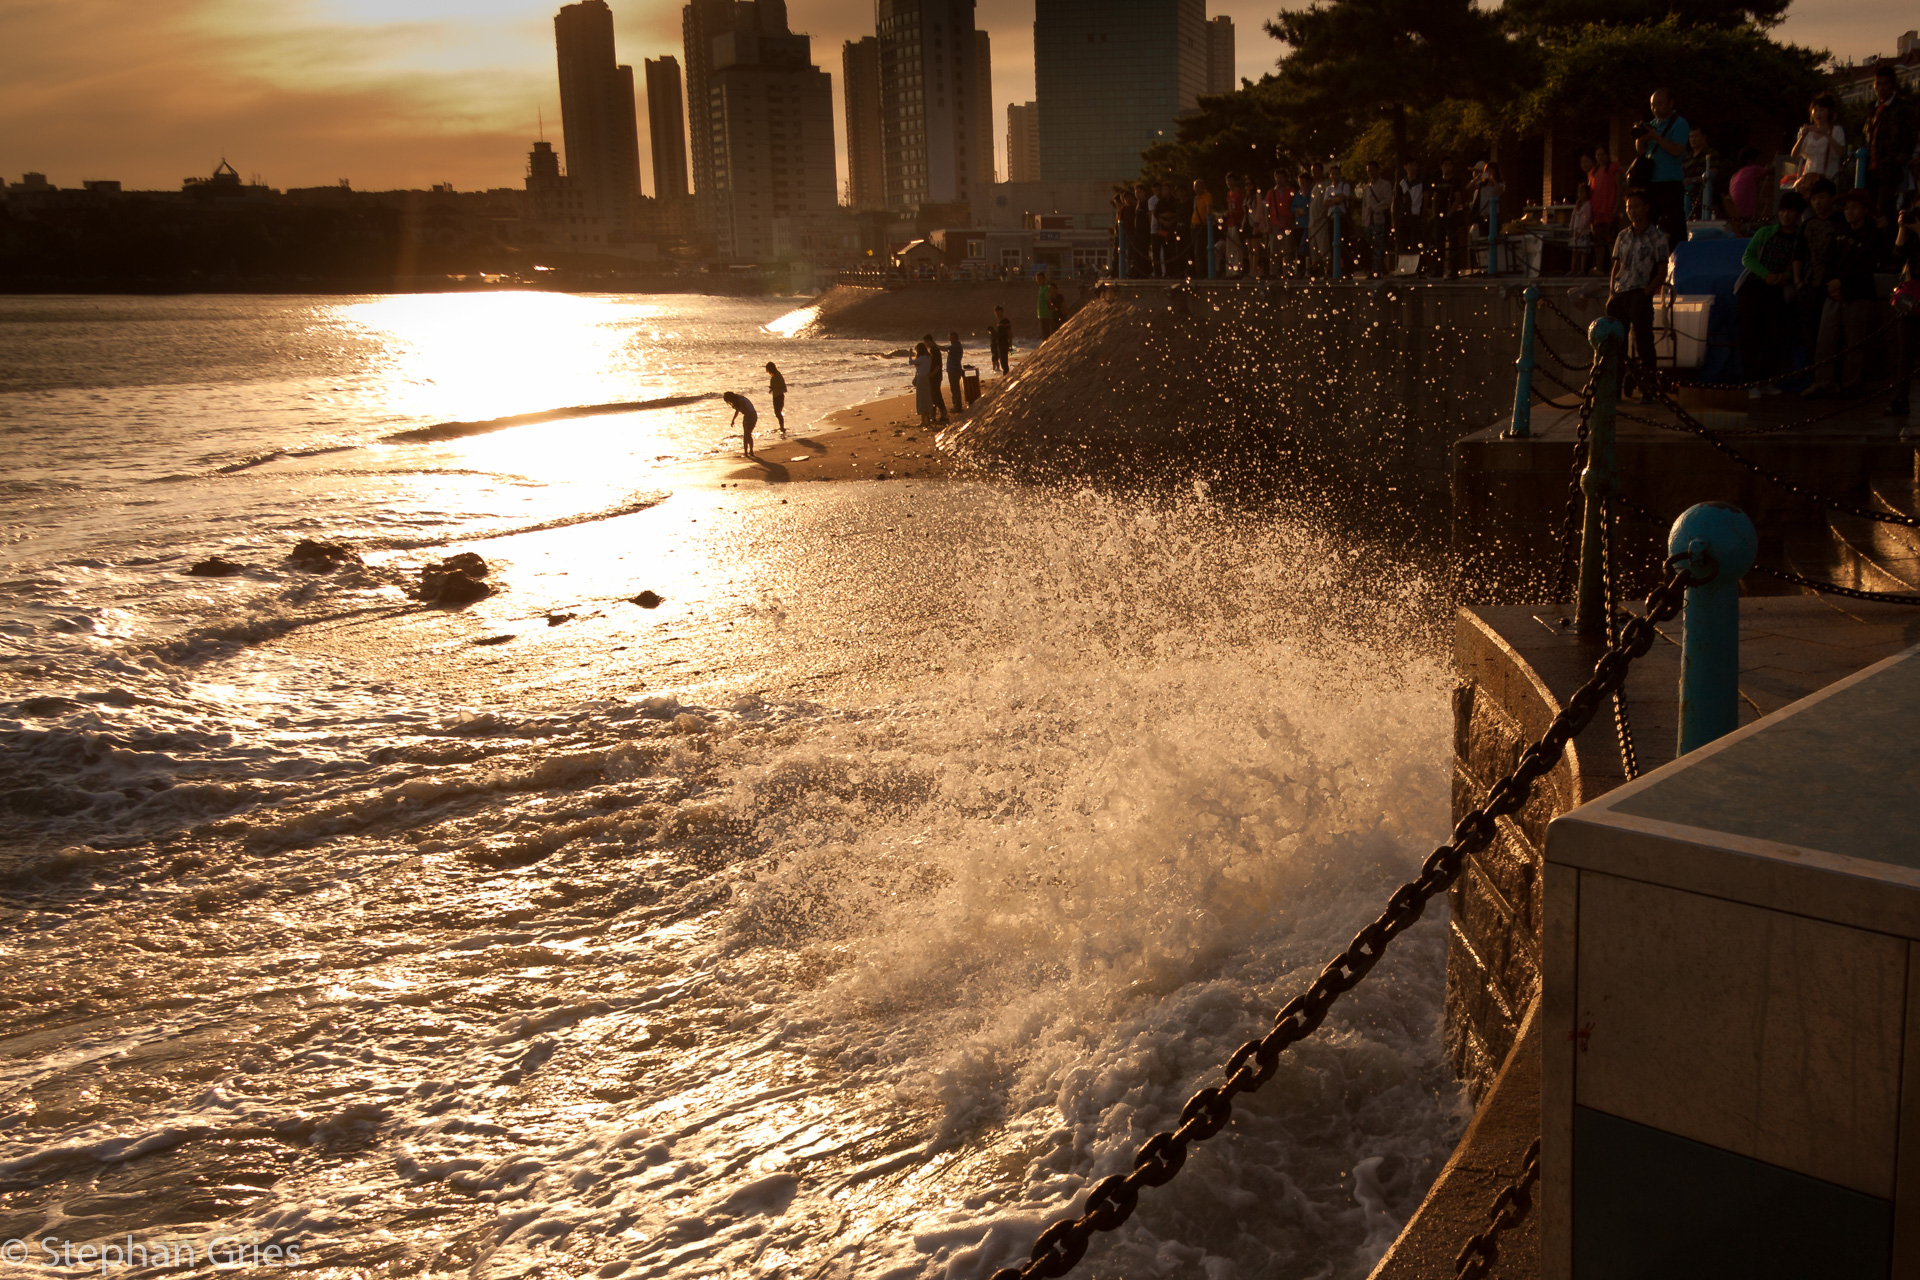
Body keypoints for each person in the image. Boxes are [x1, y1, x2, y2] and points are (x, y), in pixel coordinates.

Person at [1807, 189, 1882, 397]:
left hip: (1859, 293)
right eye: (1847, 207)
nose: (1849, 212)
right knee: (1825, 339)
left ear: (1865, 210)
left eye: (1854, 207)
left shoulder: (1872, 234)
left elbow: (1865, 265)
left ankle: (1851, 383)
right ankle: (1823, 382)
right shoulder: (1839, 231)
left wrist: (1842, 282)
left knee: (1854, 341)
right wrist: (1831, 283)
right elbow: (1828, 259)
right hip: (1833, 292)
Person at [1735, 190, 1808, 397]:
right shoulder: (1765, 232)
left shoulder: (1801, 237)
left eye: (1793, 211)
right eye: (1784, 210)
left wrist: (1786, 276)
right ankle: (1751, 383)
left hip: (1777, 293)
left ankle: (1767, 381)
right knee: (1750, 336)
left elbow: (1802, 263)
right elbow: (1748, 258)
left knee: (1773, 337)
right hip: (1752, 289)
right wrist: (1766, 274)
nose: (1787, 215)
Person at [1607, 191, 1671, 400]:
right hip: (1620, 293)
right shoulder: (1622, 236)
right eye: (1628, 208)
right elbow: (1616, 266)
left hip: (1640, 292)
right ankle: (1614, 389)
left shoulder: (1657, 237)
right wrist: (1611, 292)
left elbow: (1662, 270)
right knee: (1616, 343)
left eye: (1636, 206)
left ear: (1646, 207)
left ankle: (1648, 388)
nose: (1632, 211)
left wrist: (1647, 291)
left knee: (1644, 341)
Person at [1632, 89, 1691, 247]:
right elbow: (1642, 150)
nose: (1656, 109)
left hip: (1671, 181)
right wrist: (1641, 137)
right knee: (1649, 223)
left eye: (1660, 104)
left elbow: (1677, 150)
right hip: (1651, 182)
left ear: (1671, 104)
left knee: (1675, 226)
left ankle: (1679, 261)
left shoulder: (1679, 123)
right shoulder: (1652, 124)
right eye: (1653, 105)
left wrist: (1655, 137)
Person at [1797, 177, 1844, 364]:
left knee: (1834, 337)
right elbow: (1799, 255)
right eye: (1814, 199)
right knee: (1810, 336)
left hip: (1833, 286)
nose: (1817, 202)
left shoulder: (1841, 222)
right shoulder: (1808, 224)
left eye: (1822, 197)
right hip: (1810, 286)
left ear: (1832, 198)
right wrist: (1798, 282)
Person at [1865, 64, 1917, 227]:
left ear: (1892, 84)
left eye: (1884, 84)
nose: (1880, 88)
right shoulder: (1872, 109)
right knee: (1870, 209)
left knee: (1885, 211)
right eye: (1877, 84)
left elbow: (1910, 137)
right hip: (1871, 167)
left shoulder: (1902, 108)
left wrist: (1898, 159)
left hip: (1891, 170)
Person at [1890, 203, 1920, 417]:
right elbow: (1896, 259)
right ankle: (1900, 400)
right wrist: (1903, 230)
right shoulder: (1911, 236)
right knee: (1905, 353)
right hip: (1912, 297)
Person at [1791, 93, 1848, 190]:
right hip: (1809, 180)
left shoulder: (1836, 130)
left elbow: (1840, 152)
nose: (1818, 113)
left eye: (1822, 110)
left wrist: (1826, 134)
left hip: (1829, 178)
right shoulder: (1806, 131)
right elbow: (1794, 155)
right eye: (1815, 110)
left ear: (1829, 112)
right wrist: (1802, 137)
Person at [1587, 145, 1624, 276]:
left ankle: (1615, 268)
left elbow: (1619, 188)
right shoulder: (1593, 171)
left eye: (1602, 154)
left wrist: (1617, 206)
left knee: (1612, 241)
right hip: (1596, 211)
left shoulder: (1614, 168)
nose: (1600, 157)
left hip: (1609, 209)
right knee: (1598, 242)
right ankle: (1600, 267)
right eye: (1598, 155)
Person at [1725, 147, 1773, 235]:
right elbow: (1772, 170)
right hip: (1747, 218)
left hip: (1735, 217)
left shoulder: (1734, 176)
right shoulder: (1753, 169)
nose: (1760, 164)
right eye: (1759, 161)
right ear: (1750, 162)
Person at [1361, 160, 1394, 277]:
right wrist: (1364, 220)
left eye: (1372, 170)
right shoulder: (1366, 187)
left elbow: (1388, 200)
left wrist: (1376, 208)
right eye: (1368, 171)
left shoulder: (1385, 185)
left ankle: (1378, 270)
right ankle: (1371, 269)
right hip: (1368, 221)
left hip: (1379, 219)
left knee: (1378, 246)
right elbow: (1364, 205)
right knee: (1370, 247)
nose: (1370, 173)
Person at [1430, 158, 1461, 278]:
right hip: (1439, 217)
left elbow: (1458, 198)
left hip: (1450, 216)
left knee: (1453, 243)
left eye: (1449, 165)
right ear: (1441, 166)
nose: (1447, 167)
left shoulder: (1455, 181)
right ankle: (1438, 270)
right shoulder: (1438, 181)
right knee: (1439, 244)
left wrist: (1450, 212)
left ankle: (1454, 270)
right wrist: (1434, 214)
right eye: (1445, 165)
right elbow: (1435, 198)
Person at [1394, 159, 1425, 261]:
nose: (1412, 167)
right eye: (1410, 165)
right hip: (1404, 215)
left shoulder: (1421, 182)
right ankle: (1405, 266)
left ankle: (1418, 266)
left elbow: (1426, 197)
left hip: (1416, 214)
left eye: (1414, 165)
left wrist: (1423, 213)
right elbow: (1399, 199)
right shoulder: (1402, 183)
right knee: (1404, 241)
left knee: (1416, 241)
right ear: (1405, 167)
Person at [1190, 178, 1215, 280]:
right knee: (1195, 251)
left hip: (1202, 226)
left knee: (1199, 251)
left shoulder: (1207, 196)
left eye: (1199, 186)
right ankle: (1198, 272)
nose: (1197, 188)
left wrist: (1208, 218)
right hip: (1194, 227)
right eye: (1195, 186)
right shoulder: (1196, 198)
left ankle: (1202, 273)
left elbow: (1208, 208)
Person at [722, 391, 758, 456]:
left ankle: (749, 451)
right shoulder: (737, 400)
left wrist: (747, 420)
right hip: (747, 416)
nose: (728, 402)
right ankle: (747, 451)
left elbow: (747, 411)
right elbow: (737, 411)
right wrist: (733, 420)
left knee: (747, 434)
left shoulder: (741, 400)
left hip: (751, 416)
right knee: (747, 434)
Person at [1570, 182, 1594, 277]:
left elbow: (1586, 218)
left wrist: (1580, 229)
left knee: (1583, 251)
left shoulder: (1587, 205)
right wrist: (1571, 228)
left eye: (1582, 193)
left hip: (1583, 232)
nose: (1580, 195)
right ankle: (1573, 270)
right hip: (1575, 231)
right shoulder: (1577, 205)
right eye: (1579, 193)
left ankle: (1582, 270)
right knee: (1574, 251)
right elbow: (1573, 216)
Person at [910, 342, 936, 428]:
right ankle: (927, 420)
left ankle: (923, 421)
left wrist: (910, 354)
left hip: (921, 379)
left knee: (921, 399)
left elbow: (911, 362)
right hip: (926, 378)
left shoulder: (921, 358)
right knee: (927, 398)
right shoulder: (928, 357)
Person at [764, 362, 787, 437]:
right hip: (776, 395)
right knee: (777, 412)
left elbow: (782, 385)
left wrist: (774, 388)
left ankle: (782, 427)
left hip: (779, 396)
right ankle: (781, 426)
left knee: (778, 412)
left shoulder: (777, 375)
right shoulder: (774, 375)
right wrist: (772, 388)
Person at [945, 331, 966, 414]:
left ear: (954, 338)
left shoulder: (955, 346)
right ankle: (956, 406)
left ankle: (957, 406)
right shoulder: (955, 346)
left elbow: (945, 349)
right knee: (954, 388)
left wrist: (935, 345)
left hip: (954, 370)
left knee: (955, 388)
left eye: (950, 337)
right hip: (954, 369)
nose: (949, 338)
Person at [989, 304, 1012, 375]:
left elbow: (1010, 333)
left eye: (998, 312)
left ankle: (1006, 374)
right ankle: (1005, 374)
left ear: (1002, 312)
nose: (997, 314)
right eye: (996, 312)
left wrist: (1010, 345)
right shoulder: (999, 322)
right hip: (999, 344)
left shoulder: (1005, 321)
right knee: (1002, 361)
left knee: (1004, 361)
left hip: (1004, 343)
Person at [1035, 271, 1060, 340]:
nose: (1039, 281)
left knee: (1046, 334)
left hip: (1046, 314)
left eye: (1040, 279)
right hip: (1041, 314)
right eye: (1037, 279)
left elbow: (1048, 301)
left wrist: (1054, 310)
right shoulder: (1041, 289)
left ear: (1044, 279)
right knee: (1043, 333)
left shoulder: (1046, 288)